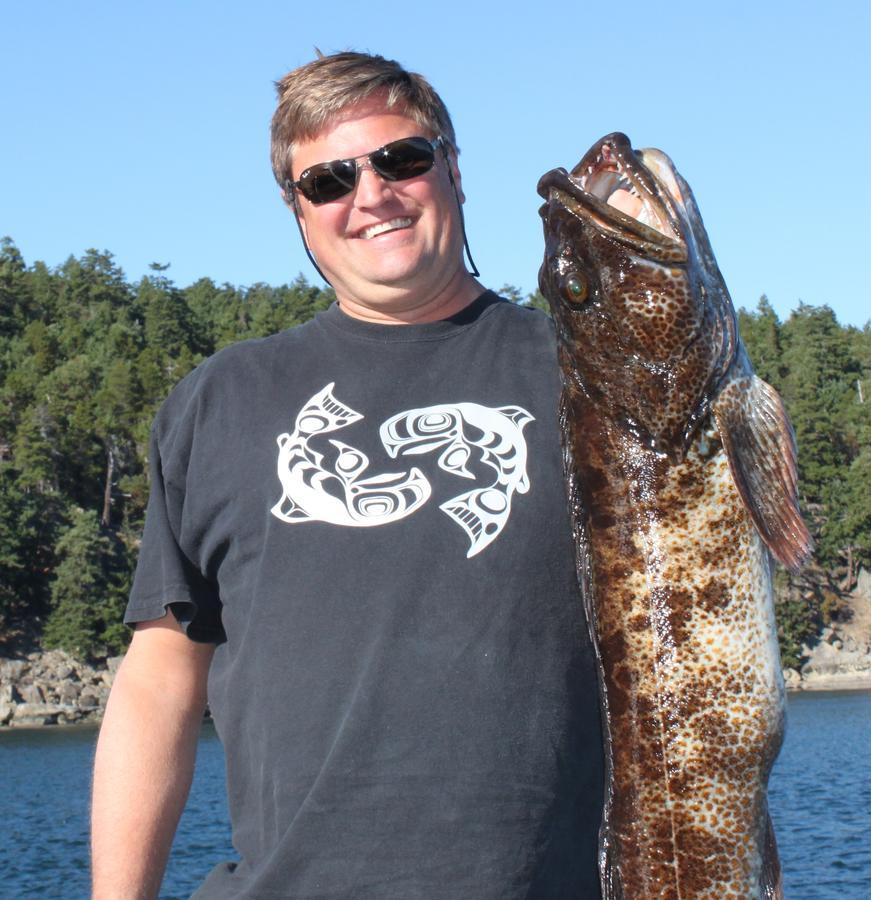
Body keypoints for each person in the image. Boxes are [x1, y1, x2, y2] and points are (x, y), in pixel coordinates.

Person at [91, 51, 604, 899]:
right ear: (298, 211)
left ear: (454, 169)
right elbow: (158, 684)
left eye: (401, 159)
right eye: (328, 180)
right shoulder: (220, 399)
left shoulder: (589, 380)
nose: (371, 195)